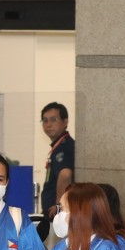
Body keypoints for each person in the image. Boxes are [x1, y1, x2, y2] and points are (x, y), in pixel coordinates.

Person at [37, 102, 74, 241]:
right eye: (45, 120)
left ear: (65, 122)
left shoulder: (64, 147)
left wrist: (59, 206)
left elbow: (65, 174)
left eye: (53, 119)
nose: (48, 124)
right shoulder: (59, 146)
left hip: (57, 215)